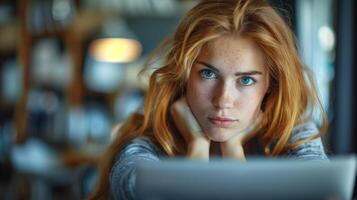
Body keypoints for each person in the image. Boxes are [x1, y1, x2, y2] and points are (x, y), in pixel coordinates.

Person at [89, 0, 328, 199]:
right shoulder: (147, 142)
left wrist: (233, 149)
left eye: (245, 80)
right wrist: (197, 147)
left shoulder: (292, 134)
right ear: (184, 76)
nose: (223, 99)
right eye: (208, 74)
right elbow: (131, 189)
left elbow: (326, 193)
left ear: (270, 85)